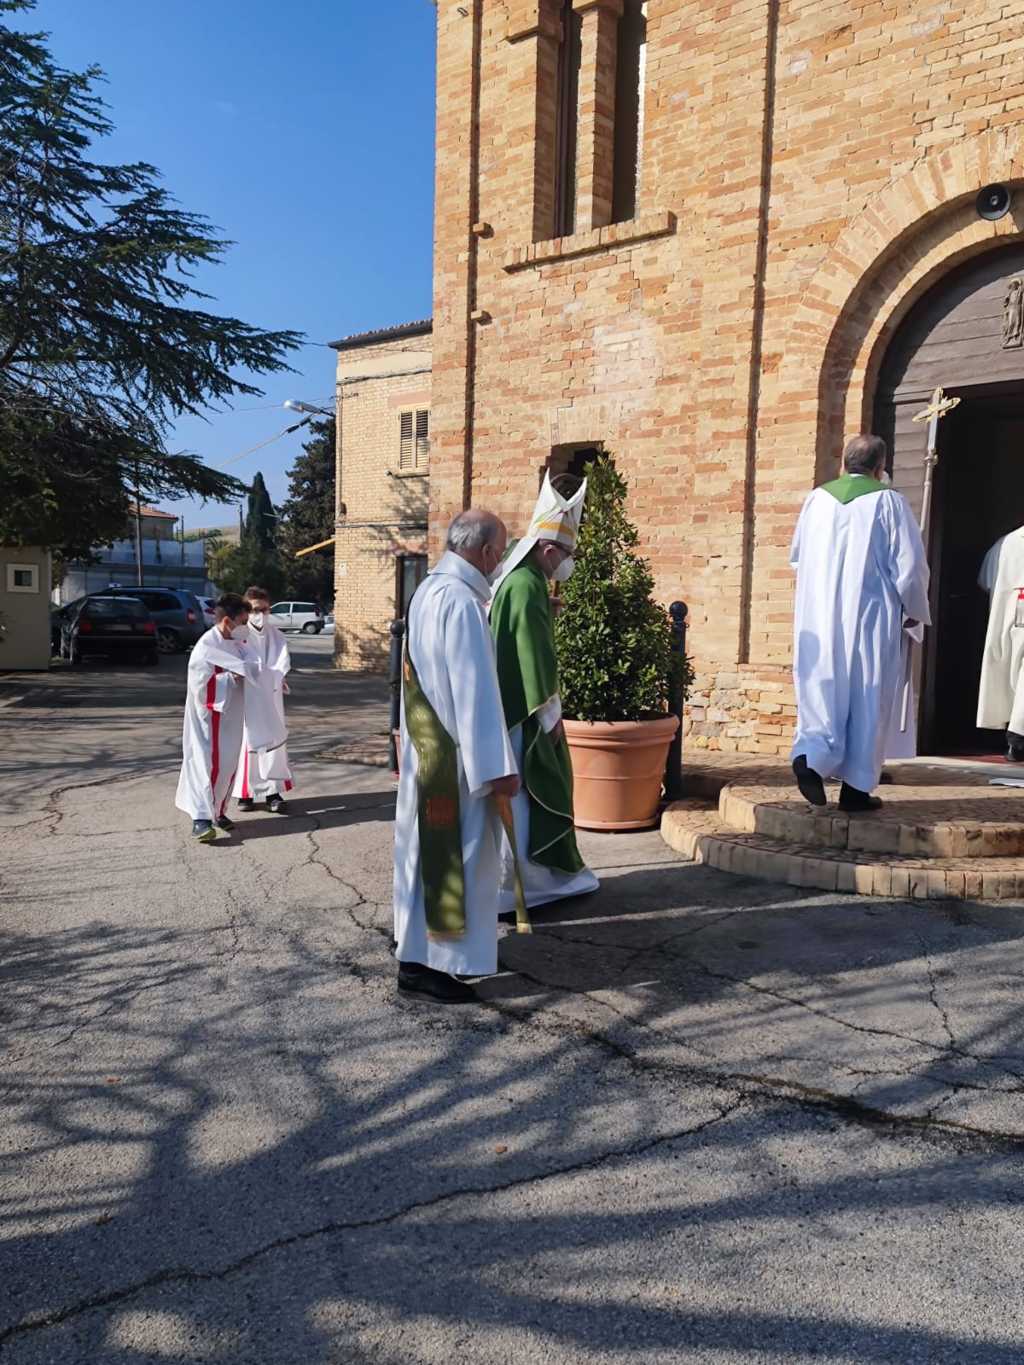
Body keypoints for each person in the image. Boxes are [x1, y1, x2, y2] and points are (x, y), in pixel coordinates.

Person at [393, 509, 520, 1004]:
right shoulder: (462, 603)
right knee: (460, 862)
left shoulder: (428, 590)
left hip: (429, 749)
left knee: (420, 859)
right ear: (485, 552)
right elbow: (475, 693)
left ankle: (419, 954)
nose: (499, 561)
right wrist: (498, 768)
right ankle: (428, 965)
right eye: (500, 552)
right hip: (457, 761)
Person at [790, 434, 930, 811]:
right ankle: (855, 791)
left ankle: (810, 759)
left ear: (844, 462)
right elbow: (910, 568)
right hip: (870, 616)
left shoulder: (816, 500)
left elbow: (798, 557)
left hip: (819, 613)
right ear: (879, 467)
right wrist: (915, 610)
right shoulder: (889, 502)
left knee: (823, 689)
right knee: (868, 695)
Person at [489, 473, 599, 912]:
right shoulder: (529, 584)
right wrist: (551, 717)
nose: (566, 565)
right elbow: (534, 657)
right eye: (566, 555)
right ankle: (534, 884)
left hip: (503, 706)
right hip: (524, 711)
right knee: (532, 791)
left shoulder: (515, 578)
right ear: (549, 549)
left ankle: (513, 884)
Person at [175, 593, 260, 842]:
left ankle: (218, 810)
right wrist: (232, 678)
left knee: (228, 763)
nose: (245, 627)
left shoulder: (235, 642)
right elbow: (201, 687)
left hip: (232, 716)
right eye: (242, 622)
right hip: (209, 718)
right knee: (205, 763)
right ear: (227, 621)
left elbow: (252, 664)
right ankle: (200, 819)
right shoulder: (205, 648)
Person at [233, 585, 294, 813]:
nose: (260, 614)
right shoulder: (238, 635)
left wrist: (272, 678)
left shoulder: (277, 636)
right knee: (247, 743)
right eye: (255, 609)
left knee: (273, 742)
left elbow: (282, 662)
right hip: (247, 696)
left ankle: (272, 792)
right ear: (246, 610)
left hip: (271, 694)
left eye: (264, 609)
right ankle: (245, 793)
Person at [977, 527, 1024, 760]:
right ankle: (1018, 740)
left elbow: (985, 581)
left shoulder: (1003, 544)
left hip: (1007, 613)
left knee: (1012, 676)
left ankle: (1016, 738)